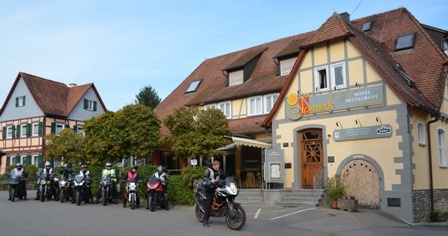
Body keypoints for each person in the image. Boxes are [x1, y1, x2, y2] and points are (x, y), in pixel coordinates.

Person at [202, 160, 226, 228]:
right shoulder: (208, 170)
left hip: (217, 188)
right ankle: (205, 221)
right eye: (217, 166)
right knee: (208, 203)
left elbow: (224, 176)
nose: (218, 167)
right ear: (214, 165)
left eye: (219, 166)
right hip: (209, 189)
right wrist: (210, 181)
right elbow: (205, 178)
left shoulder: (219, 171)